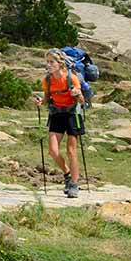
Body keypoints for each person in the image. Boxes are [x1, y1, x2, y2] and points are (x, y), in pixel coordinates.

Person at [37, 49, 86, 197]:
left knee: (71, 151)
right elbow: (47, 98)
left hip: (72, 114)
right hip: (57, 114)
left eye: (51, 62)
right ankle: (67, 174)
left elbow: (82, 101)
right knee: (53, 150)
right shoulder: (47, 80)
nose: (48, 65)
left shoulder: (71, 78)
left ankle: (74, 185)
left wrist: (77, 95)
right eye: (47, 62)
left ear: (60, 63)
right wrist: (41, 101)